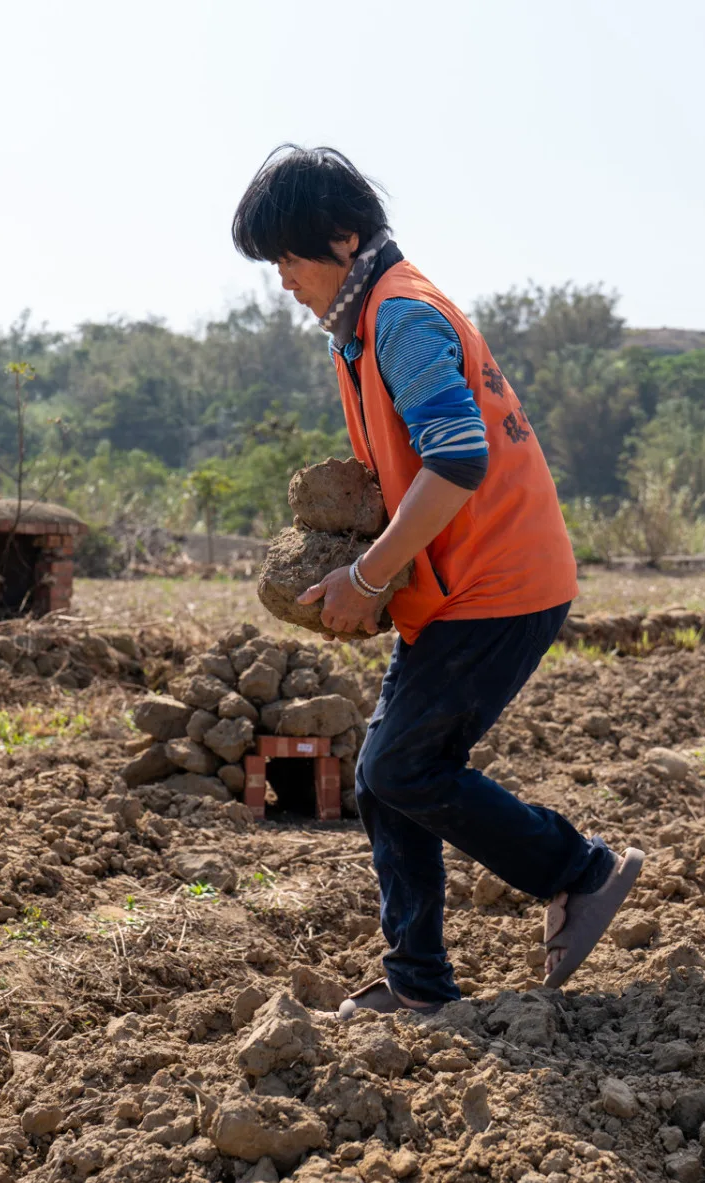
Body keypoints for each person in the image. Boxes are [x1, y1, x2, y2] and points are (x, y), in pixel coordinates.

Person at [230, 145, 646, 1017]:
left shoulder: (402, 317)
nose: (283, 282)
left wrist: (368, 576)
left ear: (343, 240)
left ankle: (580, 870)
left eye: (289, 259)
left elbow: (458, 459)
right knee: (387, 779)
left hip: (499, 583)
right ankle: (417, 984)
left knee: (402, 766)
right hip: (458, 589)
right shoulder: (370, 320)